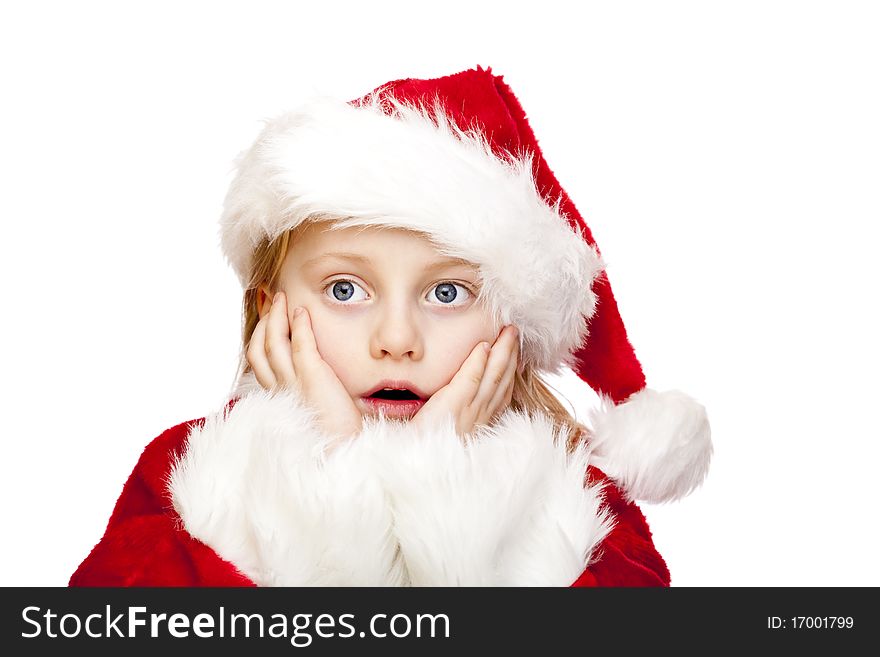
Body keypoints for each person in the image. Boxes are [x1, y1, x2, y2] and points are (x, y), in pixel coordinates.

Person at [70, 66, 712, 587]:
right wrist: (335, 485)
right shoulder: (188, 475)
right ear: (269, 311)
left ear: (511, 326)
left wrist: (443, 498)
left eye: (447, 291)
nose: (397, 339)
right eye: (345, 290)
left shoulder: (583, 502)